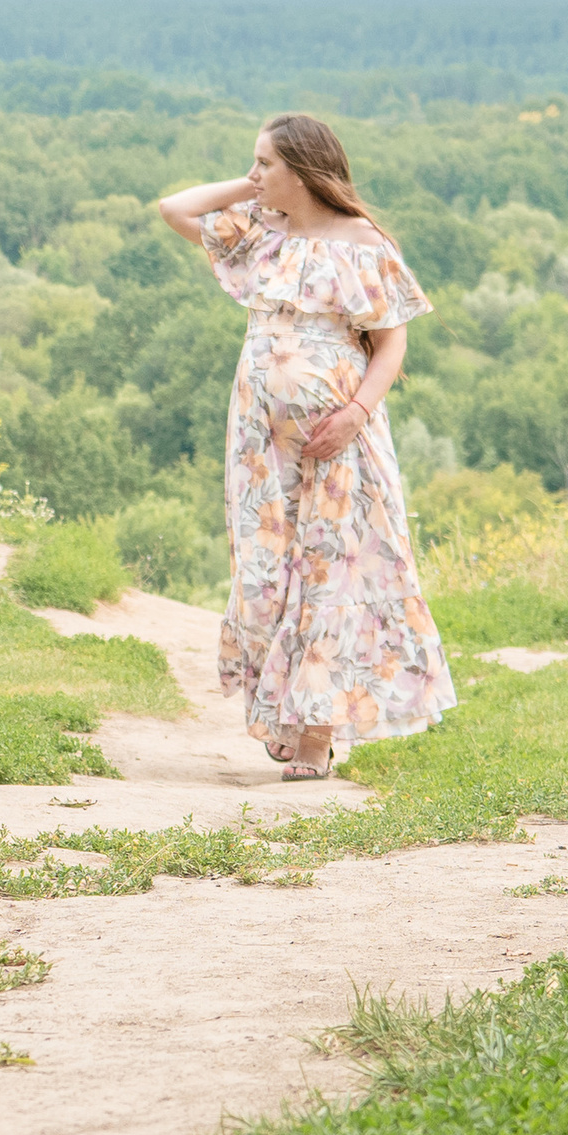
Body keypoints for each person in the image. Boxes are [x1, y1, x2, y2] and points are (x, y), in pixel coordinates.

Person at [157, 114, 455, 780]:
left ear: (303, 168)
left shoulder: (364, 243)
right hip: (260, 438)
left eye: (266, 163)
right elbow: (173, 208)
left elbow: (392, 341)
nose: (254, 174)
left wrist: (354, 412)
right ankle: (286, 712)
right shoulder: (261, 230)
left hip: (337, 442)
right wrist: (251, 184)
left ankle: (317, 733)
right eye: (253, 162)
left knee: (328, 570)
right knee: (267, 571)